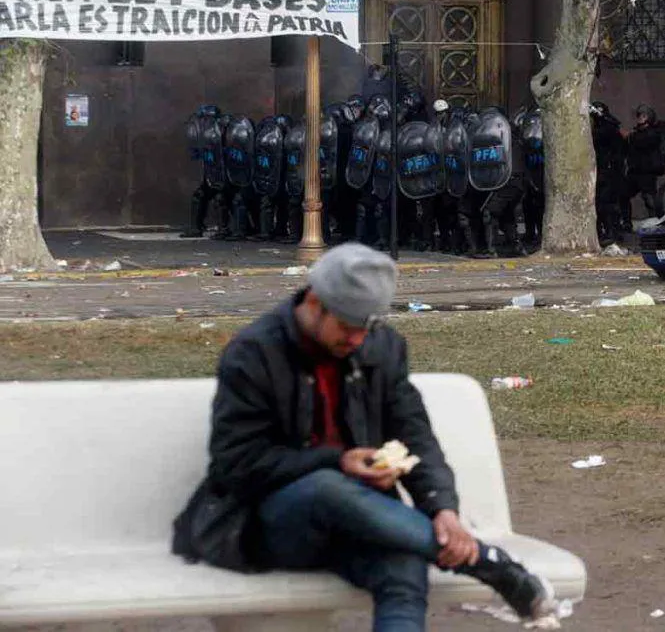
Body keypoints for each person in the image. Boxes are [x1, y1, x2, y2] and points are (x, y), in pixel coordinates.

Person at [172, 243, 554, 631]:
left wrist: (443, 510)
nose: (357, 339)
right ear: (315, 302)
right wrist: (337, 460)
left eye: (366, 327)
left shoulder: (382, 348)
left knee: (404, 569)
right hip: (267, 526)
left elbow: (414, 435)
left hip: (363, 522)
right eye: (348, 326)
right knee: (325, 486)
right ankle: (488, 563)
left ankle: (466, 552)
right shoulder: (254, 353)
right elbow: (235, 464)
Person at [590, 101, 626, 245]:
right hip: (602, 170)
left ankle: (613, 232)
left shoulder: (608, 129)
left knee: (607, 203)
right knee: (601, 203)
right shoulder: (605, 128)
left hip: (609, 171)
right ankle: (605, 232)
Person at [625, 103, 665, 218]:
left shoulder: (653, 133)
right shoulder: (636, 132)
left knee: (650, 199)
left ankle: (657, 219)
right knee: (623, 194)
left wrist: (629, 137)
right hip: (635, 171)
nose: (640, 118)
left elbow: (643, 141)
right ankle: (625, 222)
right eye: (639, 115)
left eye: (643, 116)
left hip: (647, 171)